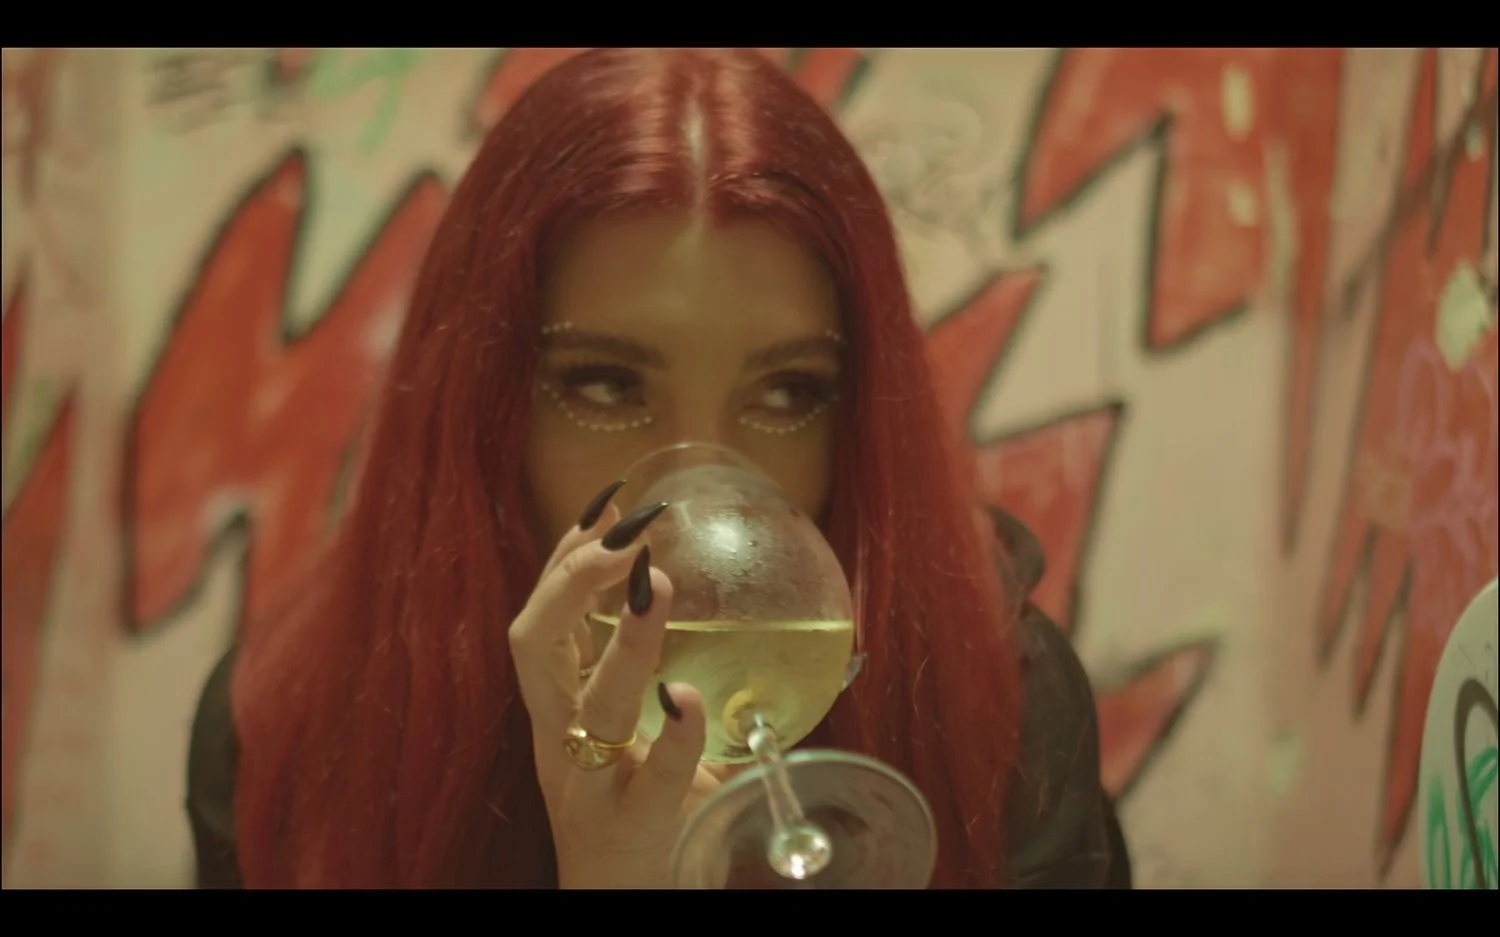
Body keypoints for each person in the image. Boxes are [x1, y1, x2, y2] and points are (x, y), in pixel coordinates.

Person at [186, 47, 1131, 889]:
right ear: (483, 401)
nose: (702, 489)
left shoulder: (997, 708)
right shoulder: (288, 732)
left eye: (790, 392)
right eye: (604, 385)